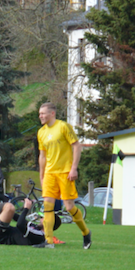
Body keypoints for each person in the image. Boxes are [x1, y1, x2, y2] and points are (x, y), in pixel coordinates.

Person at [36, 102, 91, 249]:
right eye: (39, 113)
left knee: (69, 207)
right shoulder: (41, 132)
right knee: (47, 205)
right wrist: (42, 175)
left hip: (65, 173)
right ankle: (48, 241)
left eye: (43, 113)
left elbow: (77, 146)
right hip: (49, 174)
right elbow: (42, 156)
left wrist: (74, 168)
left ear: (52, 113)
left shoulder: (63, 127)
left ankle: (86, 232)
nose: (40, 116)